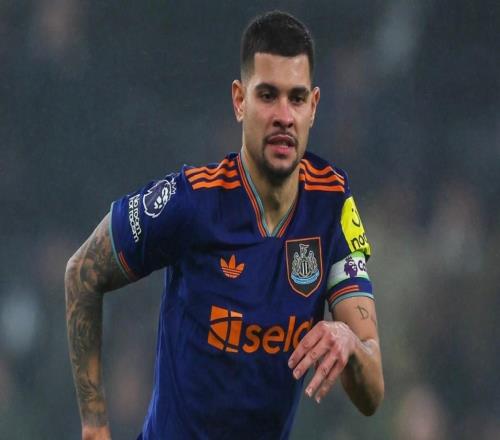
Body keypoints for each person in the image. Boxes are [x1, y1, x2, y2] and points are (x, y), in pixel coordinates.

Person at [65, 10, 384, 440]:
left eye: (296, 98)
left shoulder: (333, 203)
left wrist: (348, 341)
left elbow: (372, 393)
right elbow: (82, 273)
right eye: (267, 95)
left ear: (313, 107)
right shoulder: (191, 202)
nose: (283, 115)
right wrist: (94, 425)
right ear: (239, 100)